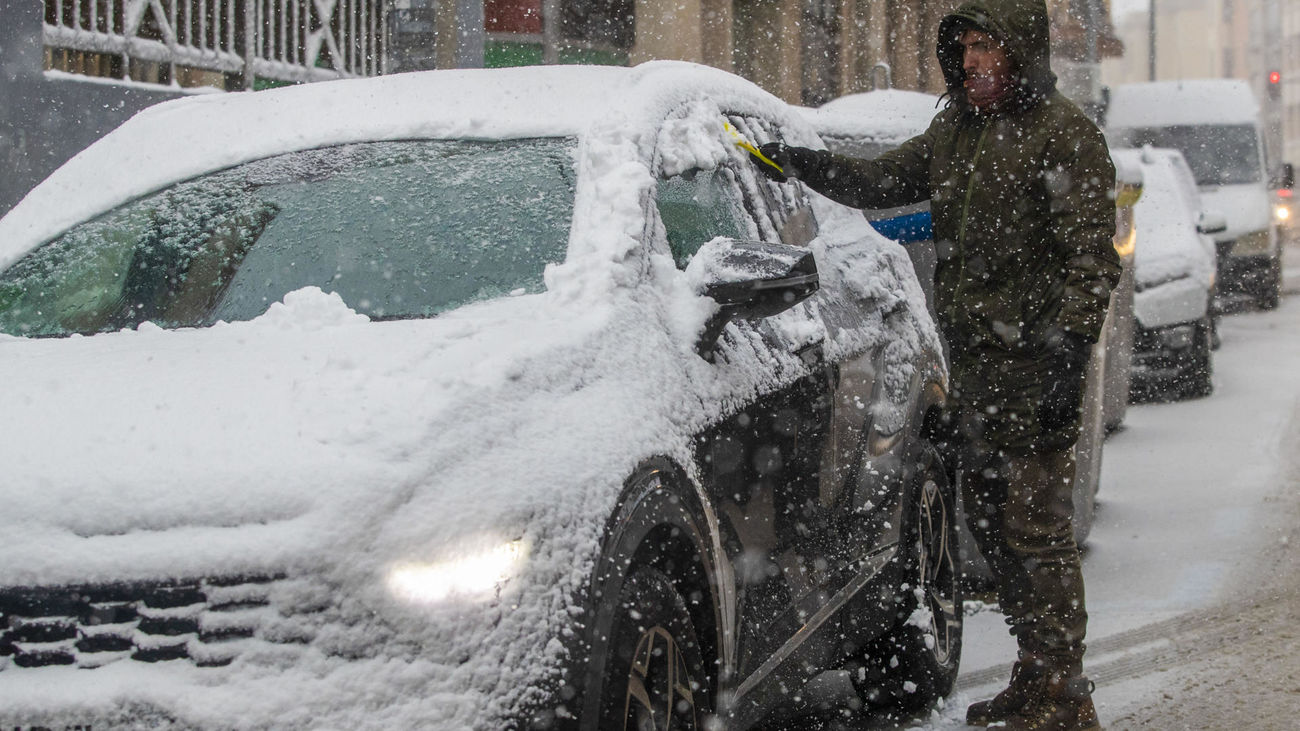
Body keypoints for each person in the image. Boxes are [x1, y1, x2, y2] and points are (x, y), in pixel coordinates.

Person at [748, 1, 1118, 729]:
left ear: (1021, 51)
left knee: (1035, 529)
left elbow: (1090, 263)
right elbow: (882, 181)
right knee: (988, 518)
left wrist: (1066, 356)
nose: (977, 61)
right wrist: (803, 163)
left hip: (1035, 370)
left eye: (991, 47)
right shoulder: (955, 129)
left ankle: (1066, 693)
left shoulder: (1064, 137)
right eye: (968, 48)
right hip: (976, 372)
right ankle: (1035, 666)